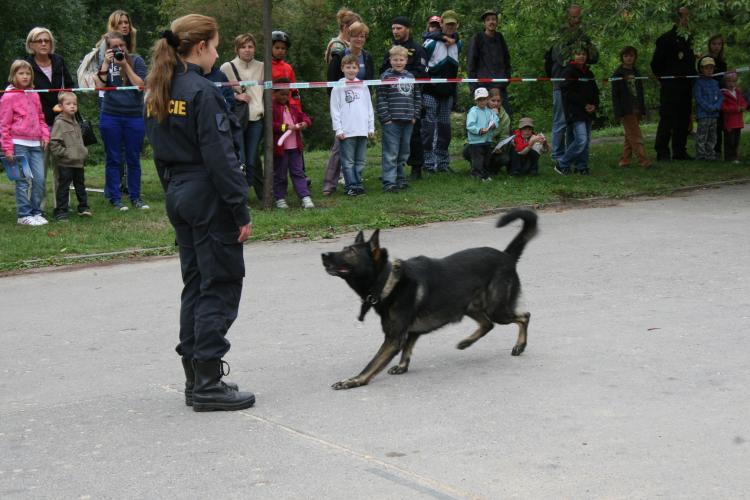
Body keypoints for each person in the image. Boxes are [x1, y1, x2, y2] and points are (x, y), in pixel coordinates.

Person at [145, 14, 255, 412]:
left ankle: (196, 378)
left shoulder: (161, 86)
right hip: (207, 194)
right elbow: (221, 158)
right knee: (220, 284)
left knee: (195, 283)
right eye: (216, 44)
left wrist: (176, 191)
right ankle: (208, 383)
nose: (218, 51)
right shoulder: (202, 91)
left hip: (179, 191)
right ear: (201, 47)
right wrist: (239, 208)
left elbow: (158, 153)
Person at [95, 31, 148, 211]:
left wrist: (125, 65)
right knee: (113, 158)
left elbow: (140, 85)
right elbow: (100, 86)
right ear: (108, 49)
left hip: (133, 116)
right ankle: (115, 198)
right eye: (113, 47)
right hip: (111, 115)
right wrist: (105, 63)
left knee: (133, 158)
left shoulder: (136, 60)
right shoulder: (105, 62)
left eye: (121, 46)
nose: (118, 49)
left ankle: (136, 197)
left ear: (126, 45)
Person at [323, 21, 374, 196]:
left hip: (360, 113)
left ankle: (355, 183)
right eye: (356, 35)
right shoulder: (339, 56)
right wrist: (338, 121)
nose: (359, 39)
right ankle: (330, 185)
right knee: (339, 152)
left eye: (363, 36)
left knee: (357, 157)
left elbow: (370, 84)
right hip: (344, 113)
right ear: (349, 37)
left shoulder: (367, 56)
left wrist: (369, 124)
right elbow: (331, 85)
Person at [548, 4, 598, 169]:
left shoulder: (584, 35)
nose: (576, 20)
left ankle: (572, 157)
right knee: (561, 121)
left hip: (579, 87)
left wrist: (587, 47)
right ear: (567, 17)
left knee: (573, 122)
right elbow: (561, 57)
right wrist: (578, 48)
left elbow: (594, 56)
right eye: (573, 17)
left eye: (578, 17)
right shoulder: (560, 34)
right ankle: (557, 155)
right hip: (561, 83)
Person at [0, 60, 50, 226]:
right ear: (13, 75)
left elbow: (41, 118)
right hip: (17, 144)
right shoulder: (8, 97)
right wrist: (7, 148)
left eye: (28, 74)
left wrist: (45, 135)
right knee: (22, 181)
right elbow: (4, 125)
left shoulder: (34, 94)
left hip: (36, 144)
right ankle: (23, 214)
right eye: (21, 73)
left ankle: (37, 212)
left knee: (39, 179)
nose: (25, 76)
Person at [380, 16, 428, 180]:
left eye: (399, 28)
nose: (395, 31)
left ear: (408, 29)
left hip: (410, 99)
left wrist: (403, 77)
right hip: (393, 102)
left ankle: (416, 169)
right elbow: (383, 71)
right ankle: (391, 173)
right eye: (393, 28)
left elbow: (422, 73)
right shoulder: (392, 49)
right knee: (392, 141)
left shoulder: (418, 49)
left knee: (413, 136)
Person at [220, 33, 265, 200]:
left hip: (257, 118)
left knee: (252, 159)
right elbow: (219, 90)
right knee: (240, 159)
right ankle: (241, 195)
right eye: (243, 46)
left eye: (250, 46)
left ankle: (258, 191)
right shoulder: (227, 67)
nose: (247, 50)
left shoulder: (262, 66)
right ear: (237, 49)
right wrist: (236, 96)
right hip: (237, 118)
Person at [650, 6, 696, 162]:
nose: (687, 19)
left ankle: (679, 151)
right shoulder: (666, 39)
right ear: (677, 18)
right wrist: (665, 79)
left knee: (683, 119)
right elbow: (656, 64)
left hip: (686, 86)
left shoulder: (690, 38)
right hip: (671, 86)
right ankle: (662, 151)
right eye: (684, 16)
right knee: (667, 119)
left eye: (688, 16)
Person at [377, 45, 421, 192]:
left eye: (401, 59)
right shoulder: (385, 77)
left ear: (406, 60)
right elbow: (381, 98)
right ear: (390, 60)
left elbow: (417, 97)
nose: (398, 62)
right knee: (391, 152)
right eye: (395, 59)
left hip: (408, 120)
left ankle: (401, 179)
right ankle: (389, 182)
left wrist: (415, 115)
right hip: (392, 122)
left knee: (404, 152)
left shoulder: (410, 77)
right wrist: (386, 118)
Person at [422, 10, 461, 173]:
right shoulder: (429, 43)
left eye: (453, 24)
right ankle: (428, 162)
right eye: (448, 24)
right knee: (429, 128)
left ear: (457, 25)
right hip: (430, 91)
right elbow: (421, 65)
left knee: (445, 128)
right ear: (442, 24)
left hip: (448, 93)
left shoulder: (459, 43)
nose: (450, 27)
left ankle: (443, 162)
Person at [330, 54, 375, 196]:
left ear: (358, 69)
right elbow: (335, 109)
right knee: (348, 161)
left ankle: (358, 183)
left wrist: (371, 127)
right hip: (347, 130)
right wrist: (338, 129)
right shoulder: (338, 86)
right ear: (342, 68)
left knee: (360, 160)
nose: (351, 70)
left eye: (354, 67)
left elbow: (369, 108)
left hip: (362, 129)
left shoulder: (363, 86)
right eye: (348, 67)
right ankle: (351, 186)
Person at [555, 46, 599, 175]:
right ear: (573, 56)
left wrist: (594, 105)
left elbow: (595, 91)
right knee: (581, 140)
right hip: (575, 111)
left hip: (588, 112)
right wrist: (584, 104)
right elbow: (567, 92)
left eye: (584, 54)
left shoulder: (588, 72)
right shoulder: (568, 71)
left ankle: (581, 166)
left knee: (586, 142)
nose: (581, 56)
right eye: (578, 53)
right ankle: (562, 163)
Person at [272, 78, 314, 209]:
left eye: (287, 94)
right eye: (282, 94)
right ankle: (280, 198)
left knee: (298, 172)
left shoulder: (293, 107)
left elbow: (305, 117)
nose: (285, 97)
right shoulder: (271, 108)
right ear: (274, 93)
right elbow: (271, 125)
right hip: (280, 149)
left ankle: (305, 197)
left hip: (295, 148)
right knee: (280, 174)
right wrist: (285, 127)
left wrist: (305, 123)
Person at [49, 92, 91, 221]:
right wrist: (66, 154)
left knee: (80, 185)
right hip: (66, 163)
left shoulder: (77, 122)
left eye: (74, 104)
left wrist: (83, 152)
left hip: (78, 162)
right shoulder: (59, 123)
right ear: (61, 106)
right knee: (64, 187)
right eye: (68, 104)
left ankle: (83, 207)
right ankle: (61, 210)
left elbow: (80, 141)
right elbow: (54, 143)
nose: (72, 106)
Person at [611, 46, 651, 168]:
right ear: (622, 57)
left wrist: (642, 108)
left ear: (635, 57)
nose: (629, 58)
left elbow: (640, 92)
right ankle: (644, 160)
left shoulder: (636, 72)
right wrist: (618, 112)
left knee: (630, 135)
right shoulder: (618, 73)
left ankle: (625, 160)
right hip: (626, 109)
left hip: (637, 107)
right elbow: (615, 95)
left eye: (631, 56)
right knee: (636, 135)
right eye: (626, 56)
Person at [466, 9, 512, 114]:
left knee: (505, 116)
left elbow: (507, 59)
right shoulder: (477, 38)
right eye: (488, 20)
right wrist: (473, 86)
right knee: (484, 118)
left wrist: (507, 77)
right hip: (483, 86)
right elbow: (471, 63)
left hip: (500, 86)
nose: (491, 22)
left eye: (493, 19)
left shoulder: (500, 37)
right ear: (484, 23)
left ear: (497, 22)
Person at [465, 87, 499, 181]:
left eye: (484, 99)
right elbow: (470, 126)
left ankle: (485, 175)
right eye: (480, 99)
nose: (482, 101)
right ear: (476, 100)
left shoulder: (489, 111)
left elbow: (496, 120)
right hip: (476, 141)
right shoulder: (473, 111)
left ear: (487, 99)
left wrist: (494, 125)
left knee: (486, 159)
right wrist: (479, 130)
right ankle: (477, 175)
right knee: (478, 160)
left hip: (487, 140)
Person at [693, 57, 723, 161]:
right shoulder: (698, 83)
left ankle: (710, 154)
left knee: (712, 135)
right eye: (706, 68)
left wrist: (716, 106)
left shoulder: (715, 83)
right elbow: (698, 98)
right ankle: (701, 155)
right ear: (701, 69)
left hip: (714, 115)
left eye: (711, 68)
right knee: (702, 135)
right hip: (703, 115)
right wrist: (708, 107)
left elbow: (720, 96)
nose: (709, 70)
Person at [706, 34, 728, 157]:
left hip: (720, 95)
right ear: (710, 45)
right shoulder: (706, 60)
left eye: (719, 44)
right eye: (714, 44)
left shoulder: (722, 62)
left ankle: (718, 150)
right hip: (709, 95)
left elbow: (723, 78)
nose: (716, 46)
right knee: (710, 124)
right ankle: (709, 150)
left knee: (719, 123)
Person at [720, 72, 747, 163]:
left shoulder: (738, 92)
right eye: (729, 81)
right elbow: (724, 107)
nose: (732, 84)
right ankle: (728, 157)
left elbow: (743, 102)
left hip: (738, 122)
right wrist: (737, 108)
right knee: (729, 141)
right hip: (729, 122)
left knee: (736, 141)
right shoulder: (723, 93)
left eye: (734, 81)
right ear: (725, 82)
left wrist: (743, 107)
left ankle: (734, 157)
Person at [270, 31, 301, 111]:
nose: (280, 50)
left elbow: (294, 91)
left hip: (288, 108)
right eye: (277, 48)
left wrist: (298, 111)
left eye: (283, 48)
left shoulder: (288, 68)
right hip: (272, 108)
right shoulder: (265, 67)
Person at [487, 87, 512, 174]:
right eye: (493, 100)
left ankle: (493, 168)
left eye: (498, 101)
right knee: (467, 150)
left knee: (505, 159)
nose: (496, 103)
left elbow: (504, 136)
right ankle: (478, 167)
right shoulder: (480, 112)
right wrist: (493, 117)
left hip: (494, 147)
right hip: (481, 144)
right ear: (487, 100)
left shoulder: (505, 117)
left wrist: (500, 147)